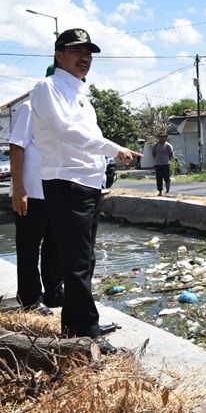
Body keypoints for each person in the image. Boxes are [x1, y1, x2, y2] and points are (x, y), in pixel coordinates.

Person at [30, 28, 141, 354]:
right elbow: (67, 131)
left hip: (88, 184)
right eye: (77, 51)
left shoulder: (80, 93)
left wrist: (105, 163)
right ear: (58, 54)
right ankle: (84, 330)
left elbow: (83, 136)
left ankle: (77, 321)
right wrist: (112, 148)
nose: (84, 58)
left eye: (89, 53)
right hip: (66, 182)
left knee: (85, 259)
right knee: (76, 261)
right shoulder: (48, 88)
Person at [9, 65, 63, 316]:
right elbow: (17, 148)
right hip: (31, 192)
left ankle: (53, 291)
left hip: (54, 190)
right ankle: (29, 298)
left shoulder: (59, 113)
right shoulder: (29, 108)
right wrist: (19, 190)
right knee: (29, 246)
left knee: (55, 245)